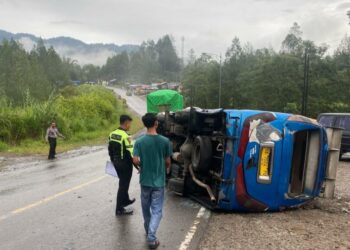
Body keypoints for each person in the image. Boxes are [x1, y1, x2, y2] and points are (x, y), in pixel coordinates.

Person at [133, 113, 172, 249]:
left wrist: (141, 166)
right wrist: (165, 168)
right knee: (157, 210)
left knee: (146, 208)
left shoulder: (139, 141)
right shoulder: (165, 141)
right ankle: (151, 236)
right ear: (156, 123)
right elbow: (168, 162)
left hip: (145, 181)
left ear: (144, 124)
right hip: (159, 182)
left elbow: (135, 160)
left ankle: (148, 229)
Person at [108, 114, 136, 215]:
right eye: (130, 123)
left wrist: (113, 161)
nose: (130, 125)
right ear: (126, 123)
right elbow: (130, 153)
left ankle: (126, 200)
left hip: (116, 162)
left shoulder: (112, 134)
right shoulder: (126, 136)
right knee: (123, 185)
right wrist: (138, 166)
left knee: (123, 182)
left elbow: (110, 149)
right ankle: (119, 209)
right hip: (125, 164)